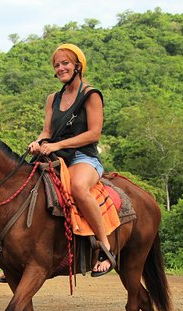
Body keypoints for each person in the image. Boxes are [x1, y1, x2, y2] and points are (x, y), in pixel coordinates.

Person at [28, 43, 115, 277]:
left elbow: (94, 133)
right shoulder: (52, 99)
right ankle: (21, 254)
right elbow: (47, 131)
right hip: (56, 158)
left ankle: (105, 247)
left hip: (84, 157)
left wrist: (58, 145)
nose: (60, 68)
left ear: (78, 66)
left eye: (65, 63)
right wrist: (39, 142)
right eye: (56, 64)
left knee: (77, 187)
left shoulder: (91, 95)